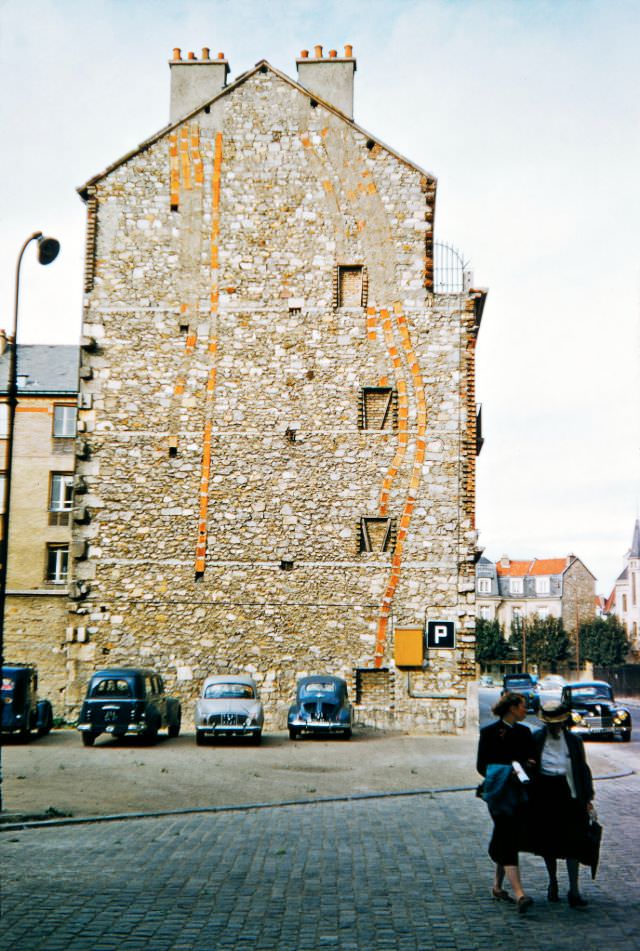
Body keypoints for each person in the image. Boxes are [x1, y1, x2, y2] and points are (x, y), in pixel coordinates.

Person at [477, 691, 537, 913]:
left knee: (506, 835)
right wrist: (504, 772)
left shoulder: (525, 731)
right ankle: (520, 894)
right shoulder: (489, 733)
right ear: (512, 708)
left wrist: (521, 768)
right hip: (499, 793)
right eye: (522, 706)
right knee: (508, 835)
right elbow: (481, 765)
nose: (525, 710)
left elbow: (532, 760)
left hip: (520, 793)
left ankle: (498, 886)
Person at [531, 700, 595, 908]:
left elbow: (582, 771)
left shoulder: (574, 741)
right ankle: (552, 882)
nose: (554, 727)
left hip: (569, 793)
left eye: (558, 723)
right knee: (548, 842)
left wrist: (587, 799)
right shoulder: (537, 739)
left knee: (573, 841)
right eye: (551, 723)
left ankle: (574, 889)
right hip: (545, 793)